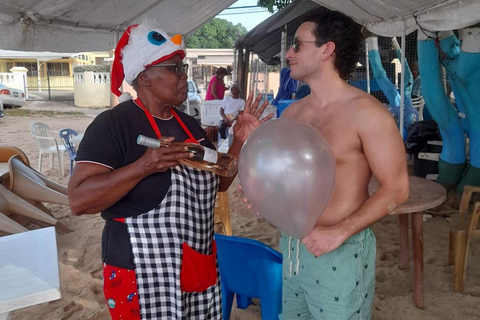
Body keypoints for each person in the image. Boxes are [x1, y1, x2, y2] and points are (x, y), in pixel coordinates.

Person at [67, 21, 272, 320]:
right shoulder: (114, 125)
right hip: (136, 267)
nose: (184, 76)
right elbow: (78, 200)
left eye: (184, 67)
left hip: (193, 261)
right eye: (174, 68)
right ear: (145, 76)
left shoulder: (188, 125)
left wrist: (240, 141)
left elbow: (220, 182)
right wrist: (144, 167)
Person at [278, 10, 409, 319]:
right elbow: (288, 178)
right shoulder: (291, 115)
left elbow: (397, 189)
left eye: (297, 45)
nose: (287, 53)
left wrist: (339, 231)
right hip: (292, 247)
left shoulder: (368, 113)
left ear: (327, 49)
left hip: (341, 249)